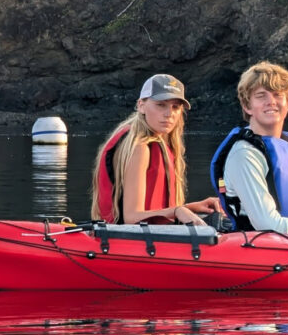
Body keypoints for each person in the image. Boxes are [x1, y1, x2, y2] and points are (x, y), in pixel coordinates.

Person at [90, 73, 221, 225]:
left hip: (146, 237)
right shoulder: (140, 147)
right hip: (127, 242)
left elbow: (151, 214)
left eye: (175, 107)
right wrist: (177, 211)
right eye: (161, 105)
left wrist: (192, 208)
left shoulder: (151, 141)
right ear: (141, 105)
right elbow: (131, 218)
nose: (169, 114)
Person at [210, 61, 288, 234]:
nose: (271, 102)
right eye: (261, 96)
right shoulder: (244, 154)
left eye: (277, 95)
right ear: (247, 106)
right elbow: (268, 225)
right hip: (264, 247)